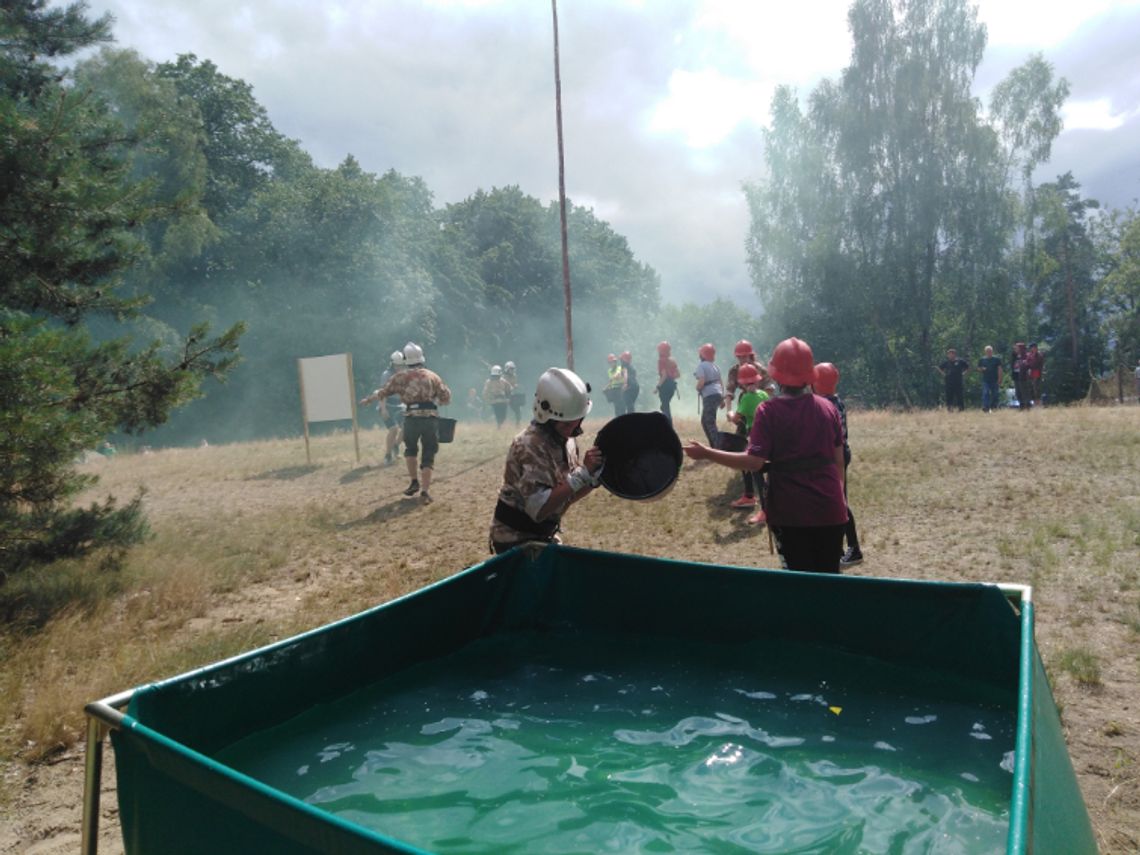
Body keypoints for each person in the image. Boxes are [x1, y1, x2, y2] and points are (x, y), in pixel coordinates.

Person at [683, 337, 847, 574]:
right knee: (829, 583)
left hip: (791, 515)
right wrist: (832, 497)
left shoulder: (769, 411)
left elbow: (753, 462)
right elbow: (838, 464)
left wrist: (707, 453)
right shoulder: (828, 408)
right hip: (831, 511)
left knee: (799, 586)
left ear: (776, 375)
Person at [488, 368, 604, 553]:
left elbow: (566, 495)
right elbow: (539, 509)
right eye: (567, 423)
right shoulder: (530, 445)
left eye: (577, 420)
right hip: (515, 539)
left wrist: (594, 478)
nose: (573, 427)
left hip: (541, 534)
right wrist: (582, 474)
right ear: (547, 416)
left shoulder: (566, 440)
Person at [373, 341, 452, 504]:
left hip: (410, 418)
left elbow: (384, 392)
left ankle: (414, 481)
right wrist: (436, 399)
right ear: (421, 358)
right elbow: (446, 398)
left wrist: (371, 399)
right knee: (429, 452)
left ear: (406, 360)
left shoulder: (400, 377)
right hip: (430, 419)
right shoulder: (433, 376)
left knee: (410, 449)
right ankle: (425, 490)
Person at [814, 362, 863, 566]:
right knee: (835, 501)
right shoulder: (837, 401)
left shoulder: (824, 405)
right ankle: (838, 547)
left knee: (839, 502)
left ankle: (854, 549)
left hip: (835, 456)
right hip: (839, 454)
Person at [726, 363, 768, 511]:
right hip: (767, 434)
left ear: (741, 384)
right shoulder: (763, 394)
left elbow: (737, 418)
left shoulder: (746, 398)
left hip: (753, 435)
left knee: (749, 465)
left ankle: (750, 497)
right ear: (758, 381)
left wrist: (730, 414)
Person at [358, 350, 406, 466]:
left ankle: (395, 446)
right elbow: (383, 393)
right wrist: (383, 409)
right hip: (387, 404)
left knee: (407, 427)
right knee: (394, 429)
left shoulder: (404, 374)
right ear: (392, 364)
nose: (399, 367)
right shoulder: (387, 375)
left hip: (399, 405)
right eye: (397, 365)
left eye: (401, 365)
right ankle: (388, 455)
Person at [693, 343, 725, 449]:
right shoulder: (716, 366)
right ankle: (714, 445)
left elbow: (701, 381)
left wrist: (697, 388)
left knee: (709, 422)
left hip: (709, 396)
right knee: (705, 420)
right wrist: (722, 399)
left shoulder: (701, 366)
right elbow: (721, 383)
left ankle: (717, 447)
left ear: (702, 355)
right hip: (718, 394)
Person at [724, 339, 763, 410]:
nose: (742, 359)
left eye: (744, 356)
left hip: (760, 401)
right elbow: (729, 391)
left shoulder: (759, 369)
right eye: (739, 357)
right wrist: (729, 411)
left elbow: (769, 388)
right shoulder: (734, 371)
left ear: (750, 355)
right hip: (744, 401)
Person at [655, 341, 680, 422]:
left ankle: (668, 425)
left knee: (665, 407)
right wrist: (671, 377)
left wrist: (658, 387)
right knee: (665, 406)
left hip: (665, 386)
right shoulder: (672, 360)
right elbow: (678, 375)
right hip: (672, 386)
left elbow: (664, 375)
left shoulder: (661, 361)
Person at [976, 345, 1003, 413]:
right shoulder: (982, 360)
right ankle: (986, 407)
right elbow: (978, 368)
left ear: (992, 351)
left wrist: (1000, 378)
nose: (989, 352)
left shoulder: (996, 359)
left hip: (995, 380)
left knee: (995, 394)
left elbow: (999, 369)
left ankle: (994, 407)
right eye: (987, 351)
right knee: (985, 393)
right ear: (985, 352)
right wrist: (982, 369)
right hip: (986, 380)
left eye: (990, 351)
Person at [1011, 342, 1031, 410]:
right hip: (1016, 375)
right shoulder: (1014, 356)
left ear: (1021, 348)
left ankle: (1027, 405)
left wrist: (1021, 364)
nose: (1015, 349)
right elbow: (1012, 365)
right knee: (1018, 391)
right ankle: (1021, 405)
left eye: (1017, 348)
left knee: (1024, 391)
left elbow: (1028, 365)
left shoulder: (1026, 355)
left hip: (1023, 375)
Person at [618, 350, 639, 414]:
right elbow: (634, 376)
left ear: (624, 359)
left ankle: (630, 420)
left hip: (629, 387)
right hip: (636, 387)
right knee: (631, 405)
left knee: (629, 405)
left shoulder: (624, 366)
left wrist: (625, 384)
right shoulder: (631, 367)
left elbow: (625, 374)